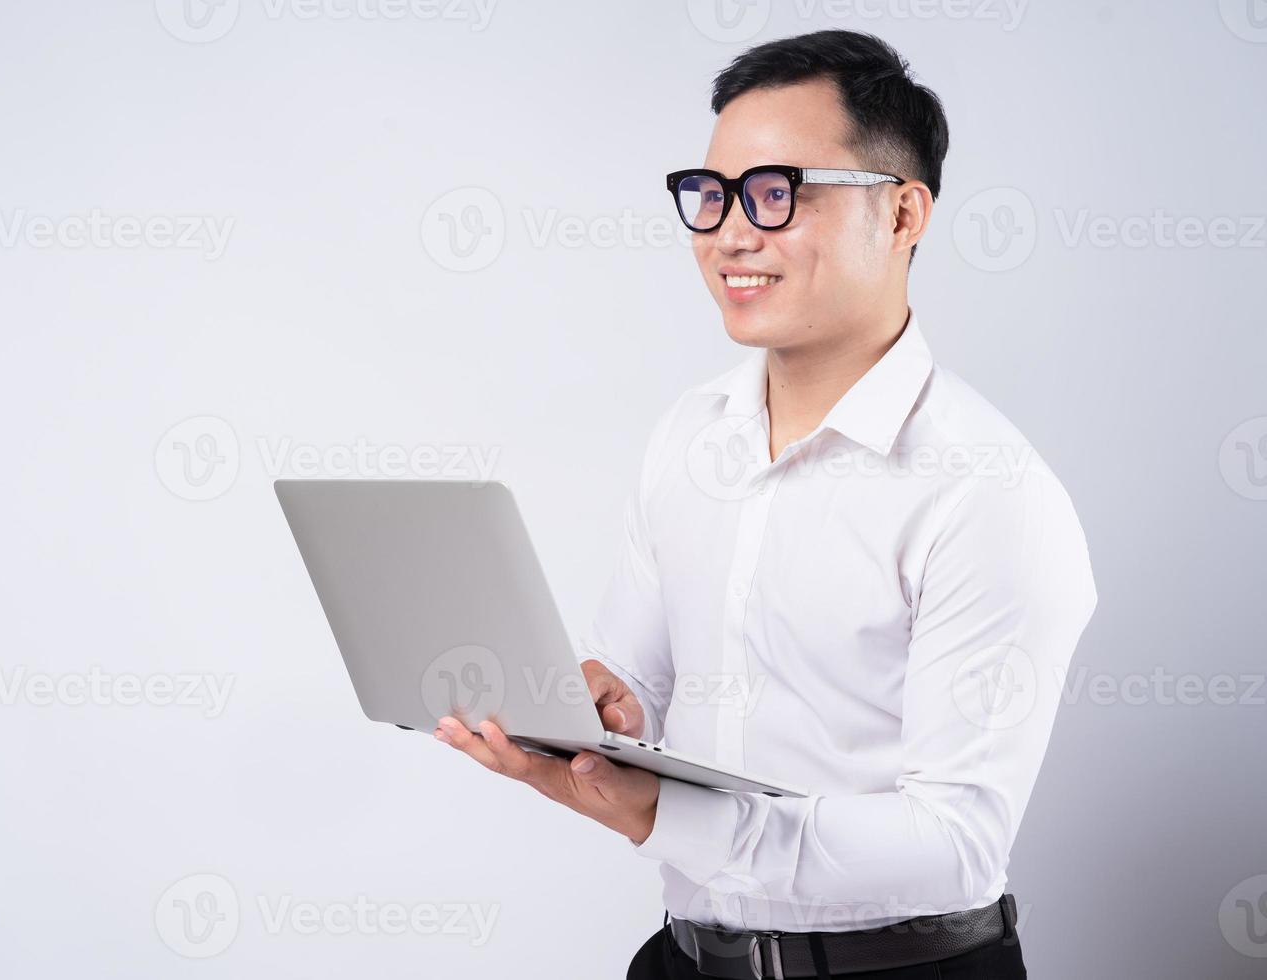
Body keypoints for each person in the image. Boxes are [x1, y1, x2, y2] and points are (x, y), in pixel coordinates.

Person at [433, 29, 1097, 979]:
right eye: (711, 197)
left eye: (777, 192)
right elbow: (643, 685)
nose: (731, 234)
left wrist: (671, 818)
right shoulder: (691, 435)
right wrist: (600, 708)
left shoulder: (987, 491)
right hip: (685, 960)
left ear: (904, 213)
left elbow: (956, 841)